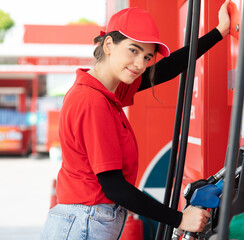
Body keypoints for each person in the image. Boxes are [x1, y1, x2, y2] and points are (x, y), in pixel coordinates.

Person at [41, 1, 230, 239]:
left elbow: (164, 70)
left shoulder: (107, 91)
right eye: (133, 50)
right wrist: (180, 218)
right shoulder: (92, 101)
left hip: (85, 221)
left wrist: (219, 32)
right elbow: (114, 187)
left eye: (146, 56)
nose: (140, 64)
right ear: (108, 44)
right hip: (84, 224)